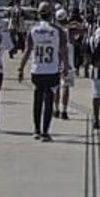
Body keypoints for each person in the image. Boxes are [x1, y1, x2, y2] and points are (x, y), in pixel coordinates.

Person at [27, 8, 67, 139]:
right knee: (49, 99)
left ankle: (36, 129)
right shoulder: (58, 31)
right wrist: (65, 67)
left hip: (37, 69)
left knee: (37, 99)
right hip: (51, 69)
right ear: (51, 16)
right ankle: (45, 131)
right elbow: (63, 51)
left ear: (39, 15)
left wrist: (21, 67)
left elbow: (28, 50)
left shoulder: (33, 30)